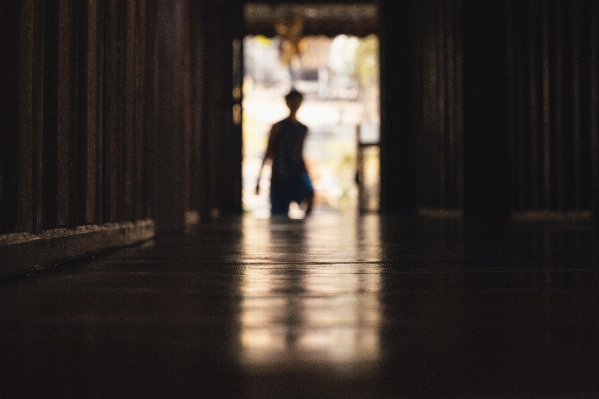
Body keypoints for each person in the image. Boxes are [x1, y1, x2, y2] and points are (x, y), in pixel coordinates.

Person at [256, 89, 314, 217]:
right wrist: (259, 179)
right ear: (287, 103)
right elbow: (268, 152)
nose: (294, 104)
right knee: (279, 214)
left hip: (295, 173)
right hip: (279, 175)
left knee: (310, 193)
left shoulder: (302, 129)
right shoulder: (278, 127)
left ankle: (302, 227)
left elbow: (299, 154)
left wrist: (307, 175)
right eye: (291, 101)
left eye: (297, 101)